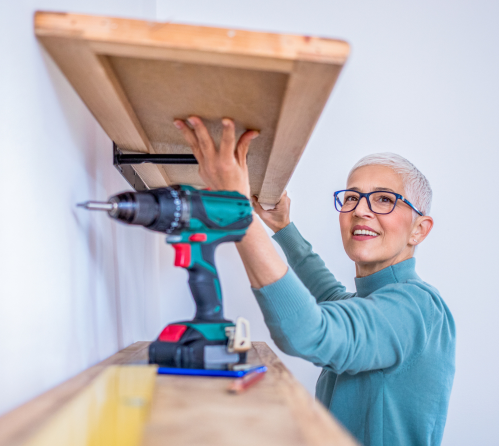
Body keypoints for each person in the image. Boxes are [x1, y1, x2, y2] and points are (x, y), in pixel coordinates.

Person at [173, 116, 456, 446]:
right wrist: (283, 227)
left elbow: (309, 332)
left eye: (384, 199)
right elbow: (327, 293)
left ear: (419, 229)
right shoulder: (372, 302)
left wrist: (239, 211)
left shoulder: (418, 308)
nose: (361, 210)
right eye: (352, 197)